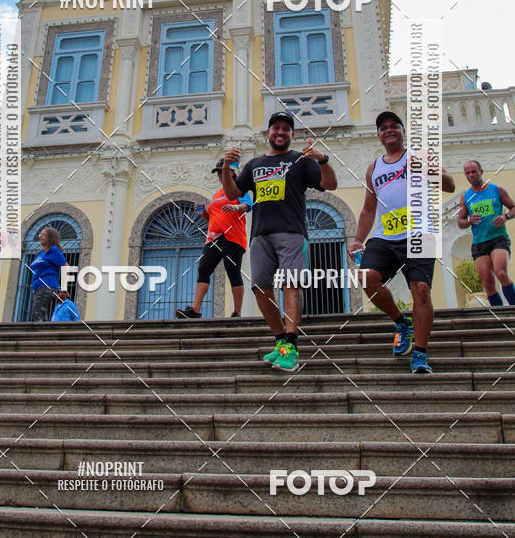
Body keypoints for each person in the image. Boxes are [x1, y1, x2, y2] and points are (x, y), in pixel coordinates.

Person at [221, 111, 338, 372]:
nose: (281, 132)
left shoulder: (300, 159)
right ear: (269, 133)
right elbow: (233, 194)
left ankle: (292, 346)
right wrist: (229, 168)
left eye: (287, 128)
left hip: (292, 232)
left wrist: (323, 160)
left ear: (292, 135)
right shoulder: (254, 164)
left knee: (291, 284)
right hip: (261, 234)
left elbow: (330, 185)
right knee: (260, 287)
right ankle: (279, 341)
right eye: (276, 128)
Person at [348, 112, 455, 375]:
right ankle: (400, 321)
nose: (389, 130)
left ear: (402, 130)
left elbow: (450, 185)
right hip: (386, 235)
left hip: (420, 233)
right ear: (378, 135)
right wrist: (359, 239)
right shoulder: (374, 168)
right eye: (383, 128)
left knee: (420, 289)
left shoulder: (419, 155)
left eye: (394, 126)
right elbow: (368, 209)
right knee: (365, 277)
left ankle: (419, 354)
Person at [176, 159, 253, 319]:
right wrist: (204, 213)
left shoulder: (240, 190)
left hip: (233, 237)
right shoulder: (217, 194)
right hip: (214, 237)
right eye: (218, 172)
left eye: (221, 171)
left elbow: (248, 206)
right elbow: (214, 217)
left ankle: (237, 312)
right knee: (203, 269)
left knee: (233, 271)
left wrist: (235, 207)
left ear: (231, 172)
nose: (219, 175)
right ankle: (195, 310)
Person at [457, 160, 515, 306]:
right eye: (468, 173)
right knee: (488, 282)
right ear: (465, 175)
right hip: (479, 242)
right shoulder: (466, 197)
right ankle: (500, 317)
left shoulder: (497, 189)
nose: (471, 175)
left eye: (474, 172)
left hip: (498, 238)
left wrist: (505, 216)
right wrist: (470, 220)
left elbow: (513, 208)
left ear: (481, 172)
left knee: (501, 272)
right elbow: (460, 222)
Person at [29, 227, 67, 321]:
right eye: (40, 234)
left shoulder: (53, 250)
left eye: (43, 234)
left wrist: (63, 288)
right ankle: (44, 334)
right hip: (38, 287)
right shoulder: (41, 253)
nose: (40, 236)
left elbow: (65, 266)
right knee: (41, 313)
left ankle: (39, 334)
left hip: (47, 285)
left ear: (50, 237)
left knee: (38, 312)